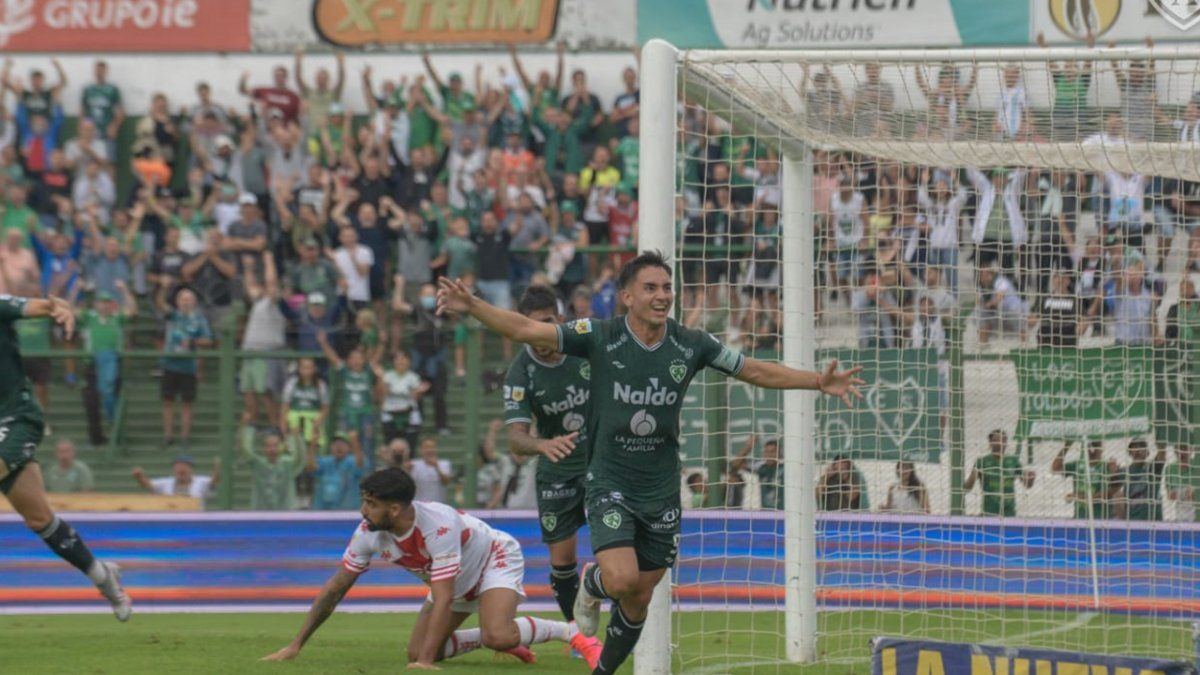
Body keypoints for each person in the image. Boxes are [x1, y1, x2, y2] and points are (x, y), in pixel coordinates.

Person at [436, 250, 863, 671]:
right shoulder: (600, 335)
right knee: (620, 581)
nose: (662, 296)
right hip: (609, 479)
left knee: (640, 594)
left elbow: (753, 370)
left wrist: (817, 382)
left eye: (667, 287)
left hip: (661, 487)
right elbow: (530, 331)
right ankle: (591, 583)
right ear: (627, 296)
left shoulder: (690, 343)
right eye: (651, 288)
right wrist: (472, 305)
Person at [262, 467, 602, 668]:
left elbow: (441, 597)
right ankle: (494, 637)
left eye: (371, 504)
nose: (363, 511)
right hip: (454, 580)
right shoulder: (368, 533)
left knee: (493, 635)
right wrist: (295, 646)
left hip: (492, 559)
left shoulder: (436, 525)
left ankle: (572, 633)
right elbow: (336, 588)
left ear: (394, 509)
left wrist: (424, 666)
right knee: (424, 649)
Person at [0, 292, 129, 615]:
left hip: (16, 417)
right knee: (39, 518)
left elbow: (38, 305)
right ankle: (102, 574)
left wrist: (61, 308)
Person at [502, 284, 594, 625]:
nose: (539, 333)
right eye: (531, 325)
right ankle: (579, 634)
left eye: (546, 322)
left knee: (614, 547)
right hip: (556, 468)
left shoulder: (584, 344)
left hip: (602, 461)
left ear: (560, 318)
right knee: (562, 562)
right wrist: (541, 444)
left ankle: (603, 593)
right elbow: (515, 438)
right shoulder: (520, 372)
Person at [159, 288, 214, 450]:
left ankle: (185, 436)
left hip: (188, 366)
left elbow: (208, 340)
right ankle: (168, 436)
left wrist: (193, 342)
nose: (185, 302)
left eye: (189, 299)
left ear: (194, 302)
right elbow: (161, 304)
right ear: (177, 301)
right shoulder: (173, 315)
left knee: (187, 403)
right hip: (169, 364)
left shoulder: (199, 319)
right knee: (167, 402)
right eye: (182, 299)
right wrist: (164, 287)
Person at [964, 429, 1034, 517]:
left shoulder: (1013, 461)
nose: (1000, 443)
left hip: (1009, 513)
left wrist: (1031, 478)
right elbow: (967, 488)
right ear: (990, 443)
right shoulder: (982, 462)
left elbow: (1027, 485)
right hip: (989, 513)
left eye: (1003, 440)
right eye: (996, 440)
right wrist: (972, 478)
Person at [240, 421, 304, 511]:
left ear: (280, 447)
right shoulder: (257, 464)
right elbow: (245, 450)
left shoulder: (287, 464)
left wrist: (296, 438)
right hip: (260, 516)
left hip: (285, 515)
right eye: (268, 446)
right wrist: (247, 429)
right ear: (263, 448)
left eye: (275, 445)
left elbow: (300, 459)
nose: (272, 449)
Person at [1052, 440, 1120, 520]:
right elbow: (1055, 468)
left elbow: (1108, 494)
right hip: (1080, 518)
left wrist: (1078, 496)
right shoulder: (1077, 465)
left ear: (1101, 448)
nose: (1092, 449)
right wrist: (1067, 445)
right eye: (1089, 446)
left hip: (1102, 519)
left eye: (1095, 445)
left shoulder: (1107, 467)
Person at [280, 357, 330, 463]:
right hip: (294, 423)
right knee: (294, 455)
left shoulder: (320, 384)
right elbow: (285, 406)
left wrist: (317, 423)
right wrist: (284, 428)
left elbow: (325, 407)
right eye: (304, 367)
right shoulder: (292, 383)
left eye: (309, 367)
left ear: (314, 369)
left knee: (314, 456)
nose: (307, 371)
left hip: (313, 423)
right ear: (299, 369)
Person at [308, 434, 365, 511]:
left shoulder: (352, 462)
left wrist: (355, 444)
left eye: (342, 444)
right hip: (322, 512)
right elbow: (311, 467)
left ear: (349, 448)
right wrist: (313, 443)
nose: (339, 447)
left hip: (348, 512)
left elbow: (360, 465)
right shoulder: (325, 462)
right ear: (330, 447)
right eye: (335, 444)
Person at [1117, 439, 1167, 522]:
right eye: (1134, 447)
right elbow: (1113, 494)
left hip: (1154, 521)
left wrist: (1161, 438)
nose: (1137, 450)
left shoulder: (1153, 468)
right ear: (1129, 452)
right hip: (1133, 521)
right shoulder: (1123, 471)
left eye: (1141, 447)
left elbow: (1161, 453)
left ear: (1147, 452)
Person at [132, 455, 218, 502]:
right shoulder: (166, 483)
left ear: (191, 469)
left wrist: (218, 469)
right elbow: (148, 485)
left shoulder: (201, 481)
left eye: (184, 466)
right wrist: (139, 477)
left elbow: (214, 481)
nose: (181, 468)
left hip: (195, 519)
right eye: (178, 466)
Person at [410, 437, 454, 504]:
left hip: (438, 504)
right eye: (426, 447)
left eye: (432, 447)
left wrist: (437, 467)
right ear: (420, 450)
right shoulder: (413, 465)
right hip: (420, 504)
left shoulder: (444, 464)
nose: (429, 450)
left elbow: (446, 482)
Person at [1166, 444, 1200, 522]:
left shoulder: (1197, 467)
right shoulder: (1170, 469)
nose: (1182, 452)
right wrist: (1186, 493)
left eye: (1184, 448)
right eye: (1179, 448)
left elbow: (1194, 495)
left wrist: (1192, 493)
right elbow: (1170, 495)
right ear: (1175, 450)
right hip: (1179, 515)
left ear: (1191, 449)